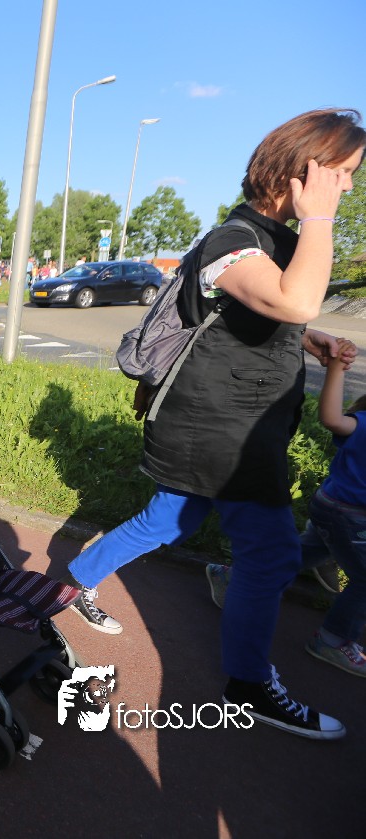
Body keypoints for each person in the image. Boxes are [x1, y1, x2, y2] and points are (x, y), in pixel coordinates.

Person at [60, 109, 364, 739]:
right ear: (302, 169)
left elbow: (267, 313)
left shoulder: (275, 238)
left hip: (228, 423)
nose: (349, 186)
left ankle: (73, 582)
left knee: (168, 520)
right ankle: (248, 685)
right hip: (220, 432)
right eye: (342, 172)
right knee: (273, 556)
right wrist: (320, 219)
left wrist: (310, 340)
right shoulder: (234, 239)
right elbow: (295, 298)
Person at [205, 338, 366, 679]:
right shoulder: (364, 424)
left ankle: (232, 577)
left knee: (301, 553)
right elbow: (332, 419)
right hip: (346, 514)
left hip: (334, 510)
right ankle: (333, 641)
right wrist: (336, 369)